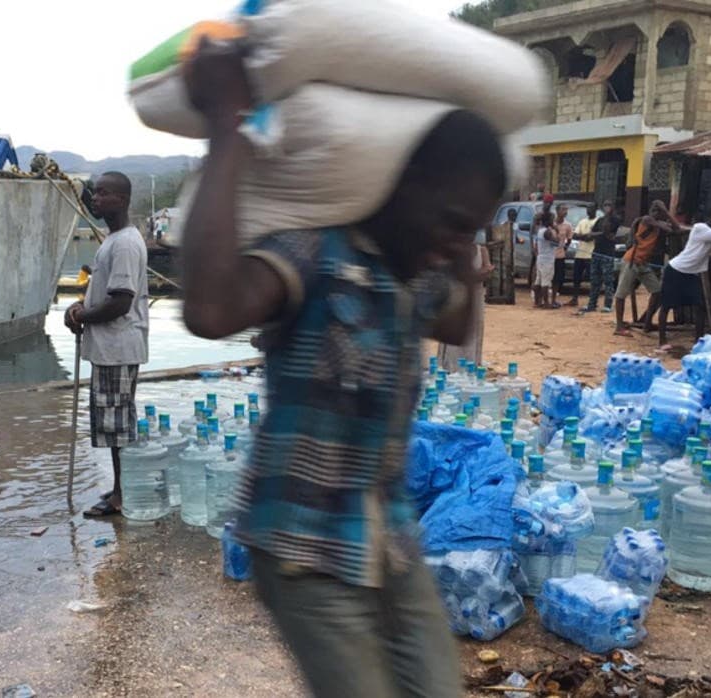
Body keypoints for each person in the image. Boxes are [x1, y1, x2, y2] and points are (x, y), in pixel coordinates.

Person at [179, 37, 494, 698]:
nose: (454, 245)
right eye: (451, 223)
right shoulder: (314, 256)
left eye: (470, 231)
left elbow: (458, 324)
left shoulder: (417, 279)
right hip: (303, 548)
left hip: (389, 539)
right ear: (395, 186)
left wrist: (464, 249)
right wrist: (226, 125)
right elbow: (209, 309)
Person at [63, 172, 150, 518]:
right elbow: (104, 295)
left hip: (118, 347)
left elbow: (120, 302)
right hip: (110, 348)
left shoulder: (126, 243)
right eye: (95, 193)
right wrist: (79, 309)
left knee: (118, 427)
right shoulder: (113, 240)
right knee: (114, 426)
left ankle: (122, 496)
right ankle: (120, 488)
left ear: (123, 200)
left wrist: (84, 315)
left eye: (103, 193)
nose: (95, 199)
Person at [657, 211, 711, 348]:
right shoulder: (701, 228)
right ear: (708, 219)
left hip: (692, 273)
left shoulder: (709, 229)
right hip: (677, 269)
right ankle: (662, 341)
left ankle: (698, 341)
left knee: (700, 305)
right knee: (666, 305)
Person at [613, 201, 674, 337]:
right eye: (656, 211)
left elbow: (673, 228)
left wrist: (666, 217)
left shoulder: (658, 224)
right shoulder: (647, 220)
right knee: (621, 294)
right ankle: (619, 326)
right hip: (632, 260)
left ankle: (647, 322)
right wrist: (666, 213)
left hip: (643, 263)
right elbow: (669, 228)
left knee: (657, 291)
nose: (657, 214)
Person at [439, 243, 493, 369]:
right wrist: (479, 274)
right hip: (455, 298)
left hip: (475, 299)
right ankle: (451, 368)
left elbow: (487, 274)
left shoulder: (482, 250)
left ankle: (469, 367)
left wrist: (472, 276)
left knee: (472, 331)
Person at [581, 200, 621, 313]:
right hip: (597, 252)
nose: (607, 207)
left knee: (608, 280)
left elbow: (608, 232)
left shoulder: (615, 219)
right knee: (594, 280)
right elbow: (591, 233)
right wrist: (599, 234)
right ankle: (592, 304)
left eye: (609, 205)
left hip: (608, 253)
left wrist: (599, 233)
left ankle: (608, 305)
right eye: (605, 205)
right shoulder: (600, 220)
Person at [568, 203, 597, 308]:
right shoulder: (582, 221)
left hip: (591, 254)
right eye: (588, 208)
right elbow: (574, 235)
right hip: (580, 253)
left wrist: (584, 236)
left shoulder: (597, 222)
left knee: (592, 278)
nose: (588, 210)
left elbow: (592, 237)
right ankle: (575, 298)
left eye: (591, 208)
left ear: (595, 209)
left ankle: (592, 300)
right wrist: (585, 236)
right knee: (576, 278)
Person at [486, 208, 516, 303]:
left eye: (514, 215)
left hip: (512, 251)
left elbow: (514, 237)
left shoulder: (515, 226)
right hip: (506, 252)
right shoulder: (504, 226)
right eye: (512, 215)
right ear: (509, 215)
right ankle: (503, 295)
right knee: (504, 274)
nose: (513, 217)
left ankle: (508, 296)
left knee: (510, 274)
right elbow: (502, 238)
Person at [534, 211, 560, 309]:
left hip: (541, 257)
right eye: (552, 219)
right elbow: (556, 242)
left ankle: (537, 302)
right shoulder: (547, 231)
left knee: (538, 280)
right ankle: (546, 303)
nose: (553, 221)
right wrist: (556, 231)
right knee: (545, 282)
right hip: (547, 259)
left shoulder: (540, 230)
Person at [551, 204, 573, 300]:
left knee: (557, 279)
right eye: (563, 209)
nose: (565, 212)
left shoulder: (568, 225)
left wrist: (565, 248)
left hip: (560, 255)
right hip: (549, 255)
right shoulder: (551, 223)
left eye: (566, 209)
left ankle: (554, 298)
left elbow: (569, 239)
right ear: (557, 211)